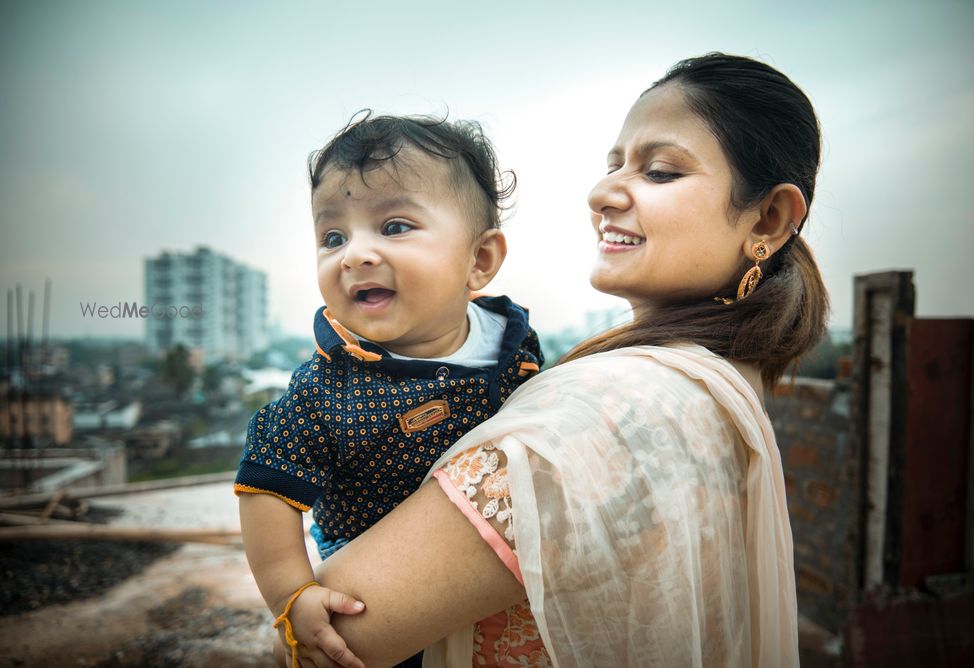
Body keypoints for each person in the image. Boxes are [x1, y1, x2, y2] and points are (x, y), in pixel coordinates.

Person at [290, 52, 828, 667]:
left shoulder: (611, 405)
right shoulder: (716, 381)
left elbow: (329, 634)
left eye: (658, 172)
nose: (601, 194)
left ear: (768, 217)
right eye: (612, 166)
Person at [235, 113, 543, 668]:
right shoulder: (328, 388)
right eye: (333, 237)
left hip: (494, 579)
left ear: (479, 260)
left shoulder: (513, 343)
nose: (354, 254)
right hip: (380, 593)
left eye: (394, 226)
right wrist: (291, 593)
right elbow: (266, 483)